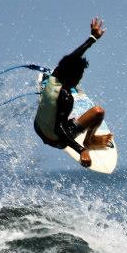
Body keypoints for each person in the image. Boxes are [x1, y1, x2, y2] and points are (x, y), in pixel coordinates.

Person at [33, 17, 113, 168]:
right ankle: (89, 140)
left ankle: (53, 113)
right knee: (98, 111)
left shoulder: (56, 75)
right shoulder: (66, 98)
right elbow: (59, 129)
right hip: (56, 139)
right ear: (73, 76)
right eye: (79, 76)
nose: (80, 79)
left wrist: (92, 38)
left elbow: (71, 57)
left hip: (38, 126)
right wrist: (81, 151)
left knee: (54, 108)